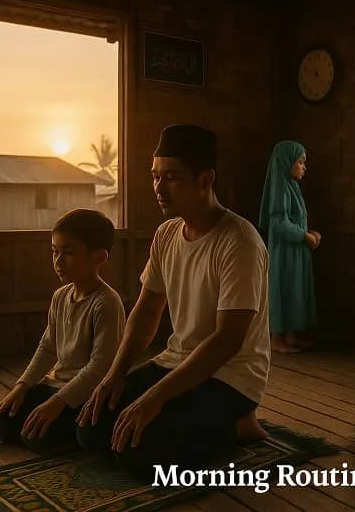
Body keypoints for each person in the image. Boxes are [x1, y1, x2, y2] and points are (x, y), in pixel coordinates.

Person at [76, 124, 271, 478]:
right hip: (176, 362)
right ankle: (211, 421)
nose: (159, 188)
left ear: (205, 180)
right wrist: (114, 376)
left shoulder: (239, 241)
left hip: (230, 376)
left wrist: (154, 398)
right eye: (155, 176)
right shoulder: (167, 234)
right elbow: (147, 310)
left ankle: (239, 424)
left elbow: (227, 340)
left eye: (172, 177)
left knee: (142, 455)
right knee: (90, 430)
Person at [0, 209, 125, 453]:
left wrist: (57, 403)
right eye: (55, 252)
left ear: (99, 257)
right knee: (0, 423)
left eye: (69, 253)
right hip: (55, 386)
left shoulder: (107, 302)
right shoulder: (60, 297)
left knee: (37, 438)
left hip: (84, 392)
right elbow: (47, 348)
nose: (59, 261)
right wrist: (21, 388)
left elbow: (100, 367)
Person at [258, 140, 320, 354]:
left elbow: (295, 219)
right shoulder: (280, 189)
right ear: (287, 162)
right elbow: (278, 224)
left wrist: (309, 233)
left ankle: (292, 334)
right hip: (285, 253)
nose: (304, 167)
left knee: (295, 292)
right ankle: (276, 337)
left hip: (296, 251)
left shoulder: (292, 186)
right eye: (300, 162)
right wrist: (303, 236)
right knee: (284, 290)